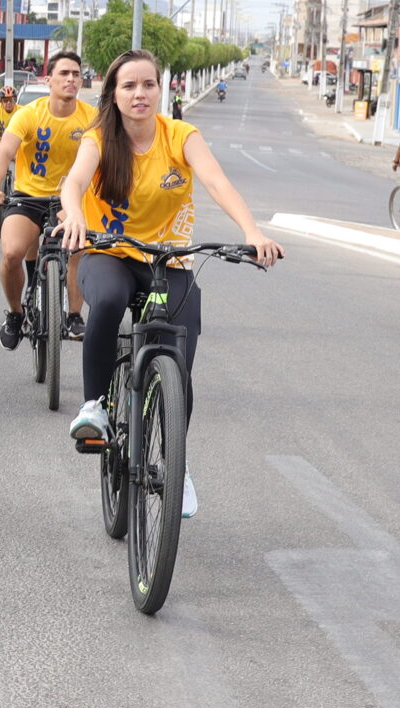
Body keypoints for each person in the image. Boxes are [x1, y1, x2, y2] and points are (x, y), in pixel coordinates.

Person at [56, 49, 283, 518]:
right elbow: (74, 182)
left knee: (177, 365)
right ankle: (96, 406)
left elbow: (217, 182)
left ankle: (174, 462)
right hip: (109, 252)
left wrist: (251, 232)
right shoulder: (99, 137)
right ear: (114, 95)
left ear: (161, 89)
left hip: (167, 261)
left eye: (148, 85)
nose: (140, 94)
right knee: (112, 299)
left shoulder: (181, 134)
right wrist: (75, 214)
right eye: (129, 86)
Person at [0, 50, 96, 348]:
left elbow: (108, 157)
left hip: (69, 201)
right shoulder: (29, 114)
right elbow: (5, 153)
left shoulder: (92, 118)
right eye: (64, 73)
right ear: (49, 80)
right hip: (28, 196)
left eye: (76, 74)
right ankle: (15, 313)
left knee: (77, 247)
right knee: (11, 254)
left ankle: (73, 314)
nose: (71, 79)